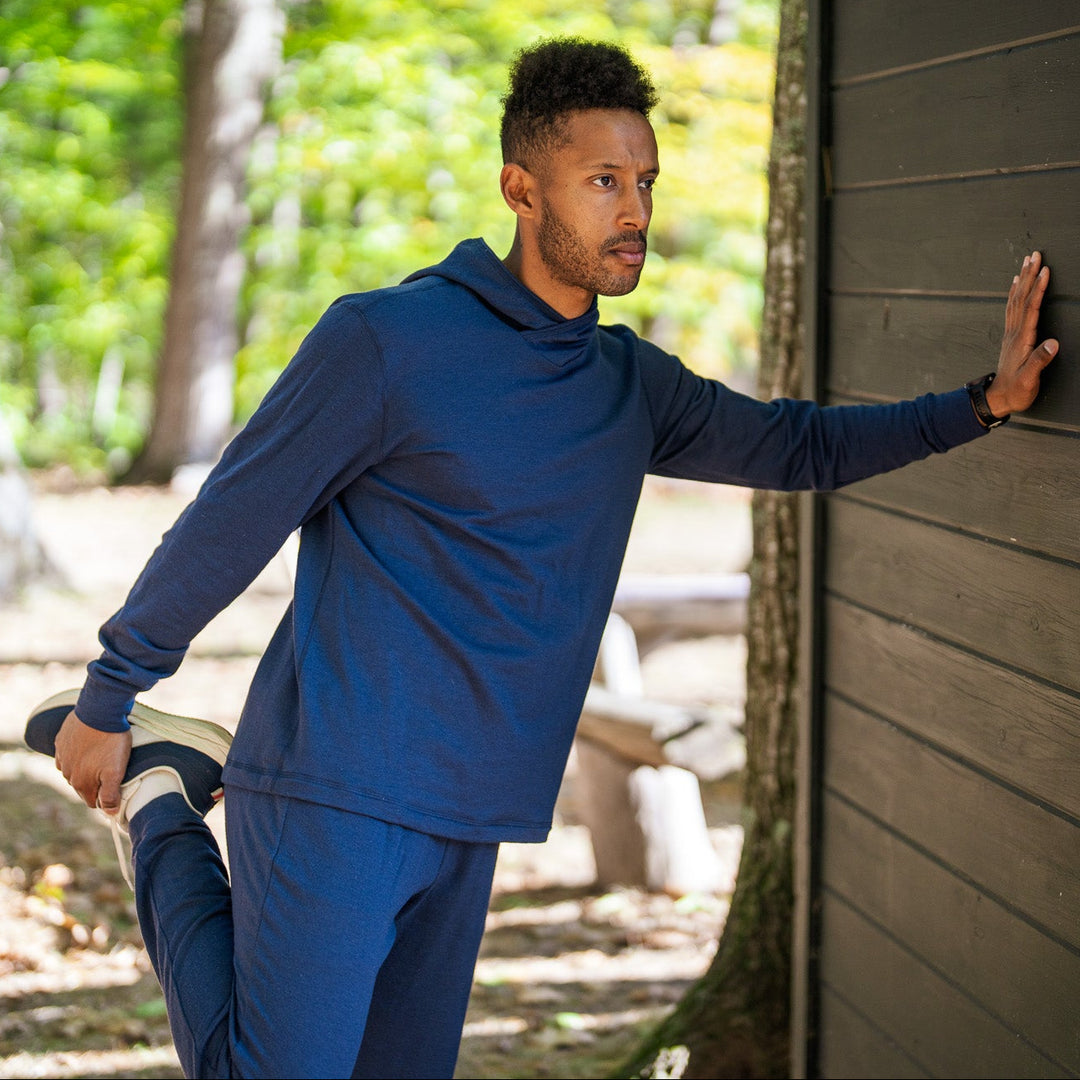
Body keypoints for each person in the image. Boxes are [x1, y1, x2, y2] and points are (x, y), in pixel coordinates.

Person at [25, 36, 1058, 1080]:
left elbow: (800, 444)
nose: (636, 212)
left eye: (645, 182)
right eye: (603, 181)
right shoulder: (387, 342)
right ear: (522, 189)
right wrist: (112, 696)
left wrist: (984, 404)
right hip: (340, 783)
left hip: (474, 812)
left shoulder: (629, 386)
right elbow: (229, 522)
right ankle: (163, 802)